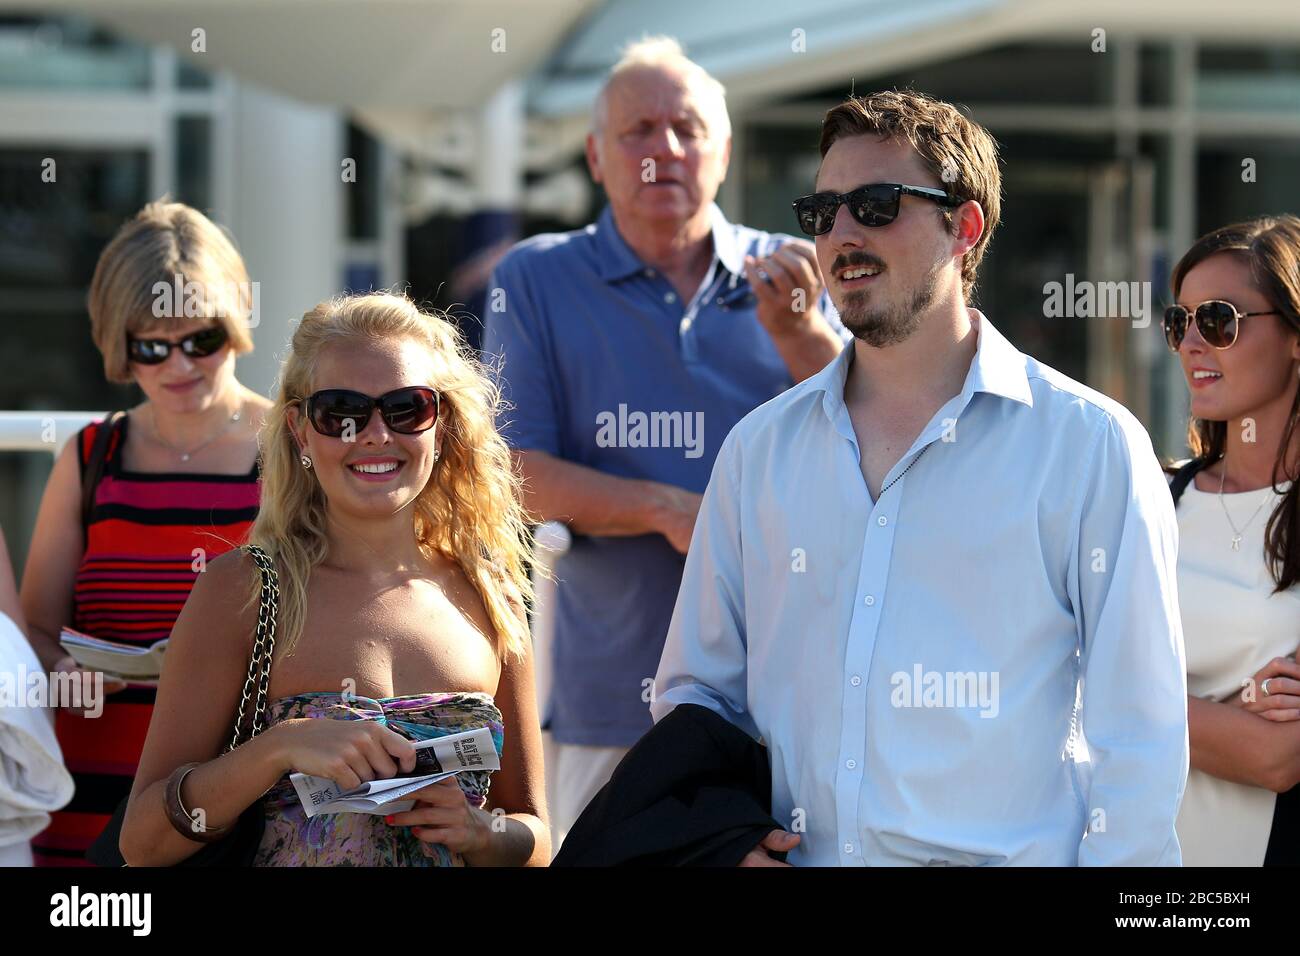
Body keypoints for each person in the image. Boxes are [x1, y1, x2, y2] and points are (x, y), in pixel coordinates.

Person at [652, 90, 1188, 866]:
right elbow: (698, 695)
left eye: (874, 205)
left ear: (964, 227)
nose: (841, 234)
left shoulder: (1091, 447)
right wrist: (723, 841)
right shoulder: (757, 451)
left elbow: (1140, 737)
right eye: (824, 210)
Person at [482, 36, 846, 850]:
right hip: (607, 697)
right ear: (595, 156)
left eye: (685, 127)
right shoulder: (535, 278)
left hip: (788, 697)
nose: (665, 150)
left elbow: (870, 446)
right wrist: (671, 510)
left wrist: (802, 339)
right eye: (639, 129)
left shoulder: (796, 273)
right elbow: (510, 474)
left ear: (723, 149)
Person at [119, 292, 549, 866]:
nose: (374, 435)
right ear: (300, 431)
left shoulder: (489, 591)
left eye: (406, 408)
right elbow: (143, 842)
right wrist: (278, 749)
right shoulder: (243, 590)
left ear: (441, 426)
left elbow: (538, 838)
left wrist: (481, 832)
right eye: (342, 412)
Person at [20, 199, 268, 865]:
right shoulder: (90, 454)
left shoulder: (293, 447)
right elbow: (35, 628)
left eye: (201, 340)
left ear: (237, 320)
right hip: (87, 785)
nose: (179, 366)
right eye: (151, 347)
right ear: (116, 343)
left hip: (230, 794)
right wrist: (65, 672)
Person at [1164, 216, 1300, 866]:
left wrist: (1114, 693)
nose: (1191, 342)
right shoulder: (1151, 499)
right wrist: (1234, 709)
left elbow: (1276, 756)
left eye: (1218, 320)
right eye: (1178, 322)